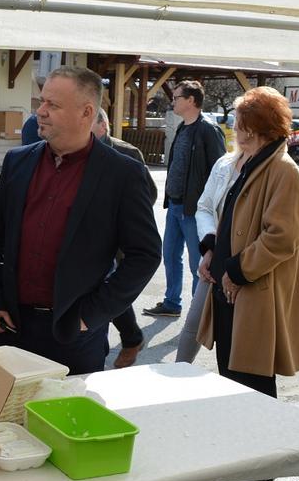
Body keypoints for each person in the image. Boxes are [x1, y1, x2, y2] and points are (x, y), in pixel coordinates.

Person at [0, 66, 160, 481]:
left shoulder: (121, 173)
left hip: (74, 332)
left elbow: (144, 255)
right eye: (41, 101)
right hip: (14, 327)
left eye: (52, 105)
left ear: (86, 112)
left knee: (69, 434)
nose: (39, 111)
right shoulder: (20, 161)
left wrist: (92, 314)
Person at [197, 86, 299, 398]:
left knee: (252, 387)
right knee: (232, 379)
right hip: (231, 291)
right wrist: (213, 251)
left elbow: (283, 236)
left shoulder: (282, 169)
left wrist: (237, 270)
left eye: (241, 123)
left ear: (259, 128)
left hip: (250, 291)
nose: (236, 129)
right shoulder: (254, 161)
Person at [143, 80, 225, 318]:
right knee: (170, 256)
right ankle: (172, 303)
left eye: (176, 97)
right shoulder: (182, 127)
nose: (173, 101)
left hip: (194, 210)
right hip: (175, 205)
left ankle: (198, 314)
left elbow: (219, 172)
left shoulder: (208, 130)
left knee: (197, 263)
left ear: (190, 100)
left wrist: (207, 207)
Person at [91, 109, 158, 368]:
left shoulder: (127, 153)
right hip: (91, 234)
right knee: (98, 284)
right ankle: (130, 337)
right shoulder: (79, 150)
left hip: (118, 235)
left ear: (103, 126)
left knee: (110, 285)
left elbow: (148, 193)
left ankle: (130, 338)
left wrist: (124, 218)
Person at [174, 141, 245, 363]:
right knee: (193, 324)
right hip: (216, 259)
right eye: (239, 125)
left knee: (239, 337)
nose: (240, 130)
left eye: (245, 125)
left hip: (245, 265)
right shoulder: (225, 164)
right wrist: (210, 246)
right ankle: (177, 373)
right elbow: (204, 207)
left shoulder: (269, 169)